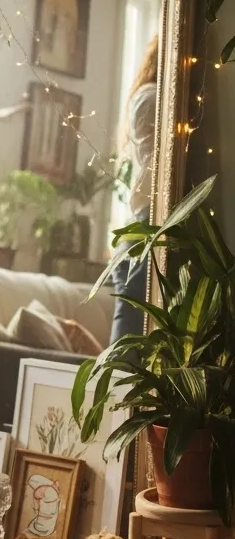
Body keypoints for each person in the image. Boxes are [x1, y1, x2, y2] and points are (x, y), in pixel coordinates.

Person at [109, 36, 158, 345]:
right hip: (140, 238)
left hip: (140, 237)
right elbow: (157, 168)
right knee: (126, 353)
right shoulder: (151, 98)